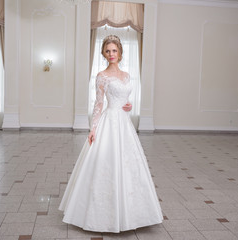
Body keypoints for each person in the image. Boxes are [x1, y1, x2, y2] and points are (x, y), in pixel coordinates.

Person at [59, 35, 163, 233]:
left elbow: (125, 99)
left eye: (114, 50)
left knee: (130, 164)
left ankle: (132, 213)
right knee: (105, 162)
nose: (111, 54)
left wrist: (128, 105)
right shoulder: (102, 76)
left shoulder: (126, 75)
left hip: (124, 123)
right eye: (108, 51)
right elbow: (99, 104)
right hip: (109, 122)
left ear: (120, 52)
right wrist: (93, 128)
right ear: (104, 54)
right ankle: (99, 213)